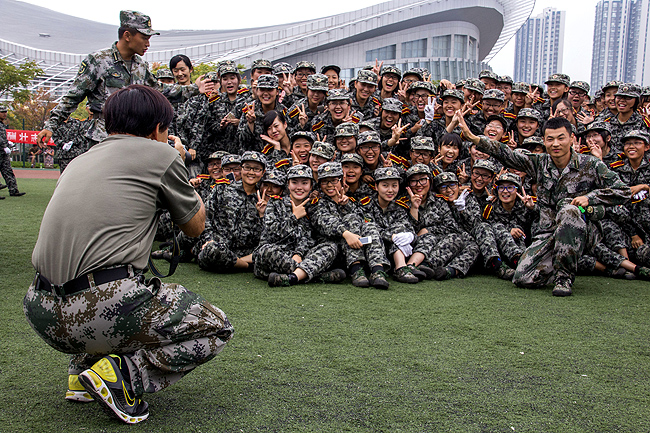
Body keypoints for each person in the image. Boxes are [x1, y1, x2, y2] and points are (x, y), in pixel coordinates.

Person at [23, 84, 233, 425]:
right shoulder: (161, 155)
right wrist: (178, 160)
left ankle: (83, 370)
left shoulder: (82, 158)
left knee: (118, 284)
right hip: (99, 309)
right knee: (217, 327)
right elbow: (195, 227)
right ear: (156, 129)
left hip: (41, 309)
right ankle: (120, 376)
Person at [458, 113, 634, 296]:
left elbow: (623, 191)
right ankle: (558, 264)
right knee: (522, 278)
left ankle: (564, 277)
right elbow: (507, 154)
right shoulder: (540, 163)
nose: (555, 144)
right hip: (550, 233)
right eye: (550, 139)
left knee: (569, 209)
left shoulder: (590, 164)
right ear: (544, 141)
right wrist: (472, 137)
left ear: (572, 138)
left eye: (561, 138)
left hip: (584, 231)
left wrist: (590, 198)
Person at [36, 10, 210, 148]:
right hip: (104, 139)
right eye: (144, 37)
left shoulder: (140, 65)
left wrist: (195, 88)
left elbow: (160, 91)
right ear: (127, 36)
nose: (148, 43)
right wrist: (51, 125)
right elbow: (74, 96)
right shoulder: (99, 61)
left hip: (136, 140)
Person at [0, 104, 25, 197]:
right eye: (2, 112)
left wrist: (7, 143)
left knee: (8, 171)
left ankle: (14, 190)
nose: (4, 114)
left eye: (5, 112)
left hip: (3, 152)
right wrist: (3, 146)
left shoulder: (2, 124)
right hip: (1, 150)